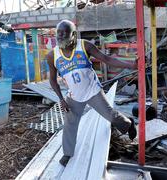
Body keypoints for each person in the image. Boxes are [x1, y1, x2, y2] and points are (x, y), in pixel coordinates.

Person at [46, 20, 137, 167]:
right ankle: (68, 154)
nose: (60, 35)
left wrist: (131, 65)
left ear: (73, 34)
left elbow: (107, 59)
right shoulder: (52, 56)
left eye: (64, 32)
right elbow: (52, 80)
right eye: (58, 32)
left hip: (92, 91)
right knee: (70, 124)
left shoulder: (85, 45)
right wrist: (61, 99)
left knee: (111, 116)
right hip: (74, 96)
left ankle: (128, 124)